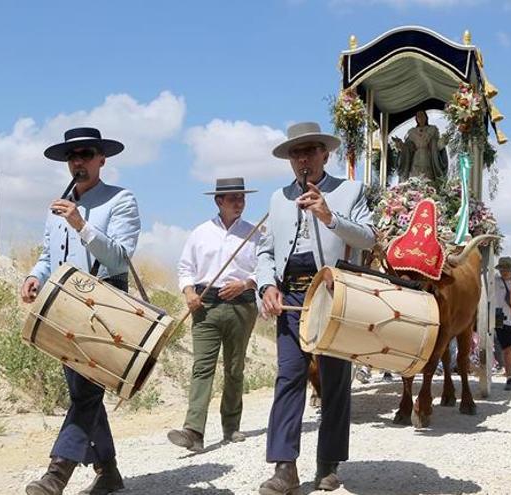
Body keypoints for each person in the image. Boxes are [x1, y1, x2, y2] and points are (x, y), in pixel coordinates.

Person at [20, 127, 140, 495]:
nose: (78, 162)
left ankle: (58, 474)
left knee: (87, 393)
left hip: (104, 304)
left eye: (86, 154)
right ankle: (108, 471)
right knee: (83, 393)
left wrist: (81, 224)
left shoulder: (121, 200)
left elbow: (119, 258)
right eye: (73, 156)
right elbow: (47, 256)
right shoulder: (59, 204)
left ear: (102, 159)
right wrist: (34, 276)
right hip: (62, 306)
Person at [257, 122, 375, 494]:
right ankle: (284, 468)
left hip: (334, 293)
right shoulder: (277, 198)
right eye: (296, 153)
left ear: (326, 154)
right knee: (288, 376)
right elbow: (264, 251)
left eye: (309, 150)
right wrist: (266, 285)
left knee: (334, 380)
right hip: (290, 294)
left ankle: (328, 463)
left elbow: (369, 237)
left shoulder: (350, 190)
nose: (302, 158)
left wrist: (329, 216)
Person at [167, 178, 260, 452]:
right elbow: (185, 268)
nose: (239, 203)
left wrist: (245, 283)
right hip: (205, 305)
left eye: (242, 198)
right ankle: (194, 431)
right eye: (233, 198)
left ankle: (231, 427)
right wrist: (188, 292)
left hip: (242, 304)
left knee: (234, 367)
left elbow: (265, 268)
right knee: (202, 367)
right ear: (219, 201)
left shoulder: (254, 234)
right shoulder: (199, 233)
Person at [393, 109, 448, 181]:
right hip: (416, 158)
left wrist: (442, 141)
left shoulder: (432, 130)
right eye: (418, 116)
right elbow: (409, 147)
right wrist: (401, 145)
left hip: (428, 157)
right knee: (415, 178)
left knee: (428, 178)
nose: (420, 118)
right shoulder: (412, 132)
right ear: (416, 119)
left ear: (426, 117)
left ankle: (429, 191)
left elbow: (436, 145)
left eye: (422, 115)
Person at [494, 256, 511, 390]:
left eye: (507, 269)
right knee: (506, 349)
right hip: (500, 318)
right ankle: (509, 378)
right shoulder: (494, 281)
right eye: (502, 269)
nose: (504, 271)